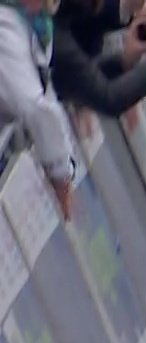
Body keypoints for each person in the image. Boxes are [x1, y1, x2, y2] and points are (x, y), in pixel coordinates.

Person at [0, 0, 76, 220]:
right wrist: (61, 175)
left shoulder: (37, 27)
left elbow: (42, 89)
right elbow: (33, 106)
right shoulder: (7, 25)